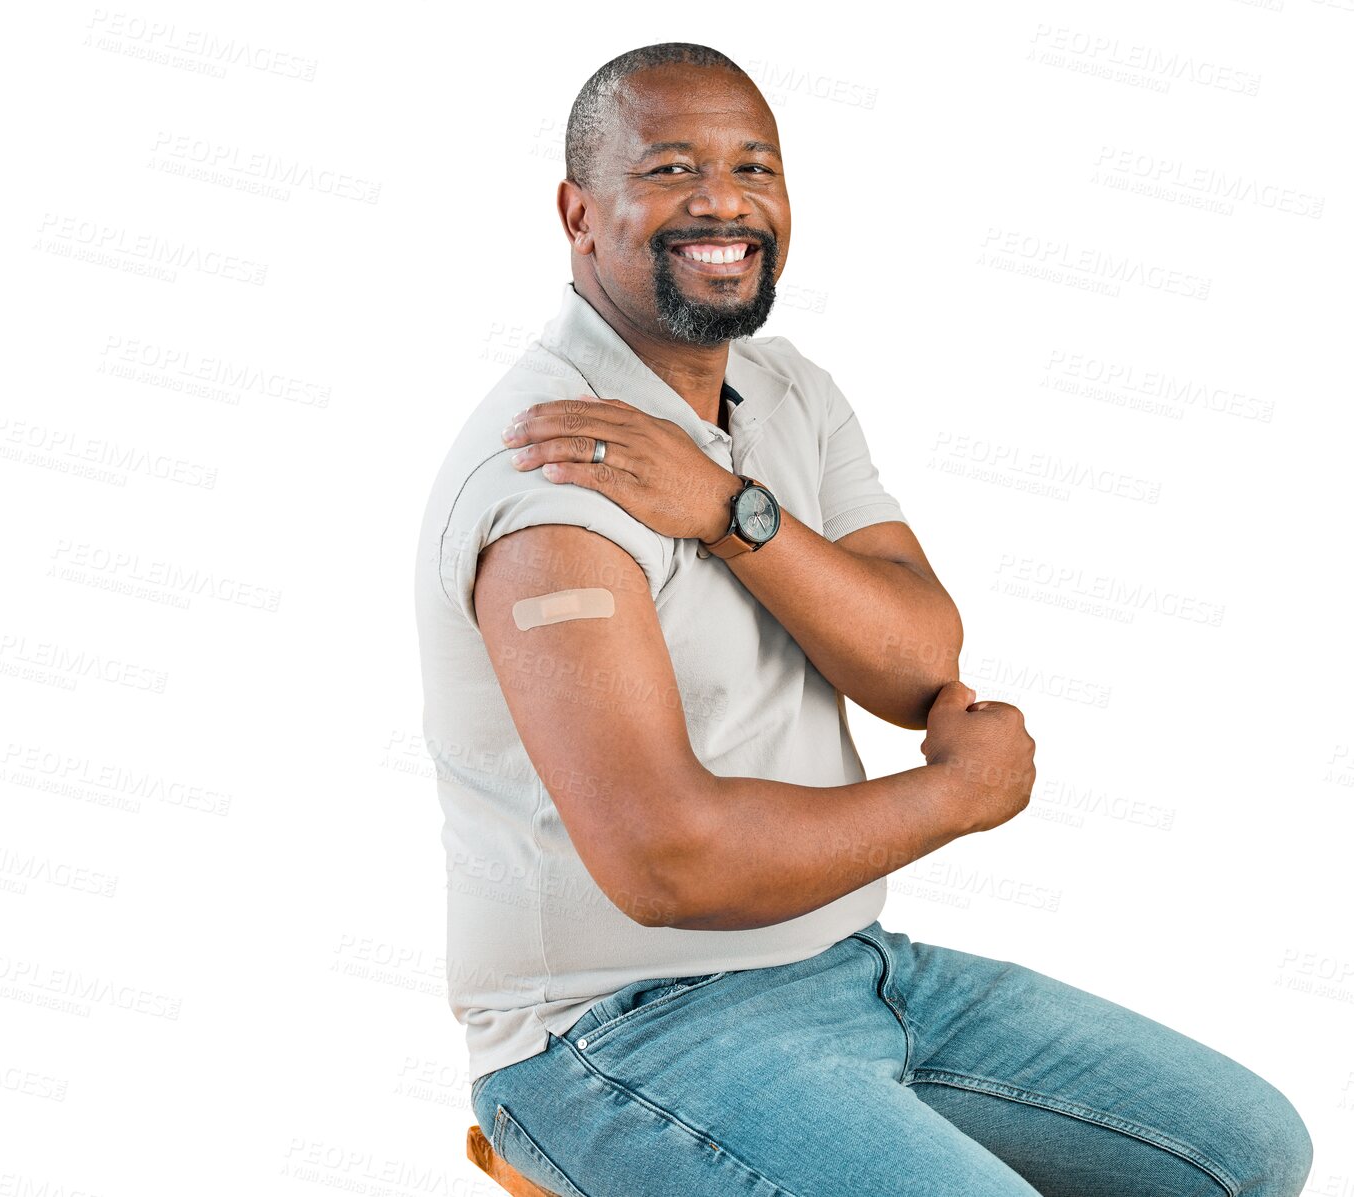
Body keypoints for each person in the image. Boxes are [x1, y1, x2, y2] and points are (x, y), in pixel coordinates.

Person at [411, 41, 1313, 1197]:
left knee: (1241, 1152)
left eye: (754, 168)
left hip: (848, 969)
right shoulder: (549, 483)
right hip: (612, 1034)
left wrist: (732, 512)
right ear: (579, 213)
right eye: (672, 168)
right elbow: (665, 864)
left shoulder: (786, 392)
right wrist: (954, 797)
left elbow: (914, 659)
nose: (722, 202)